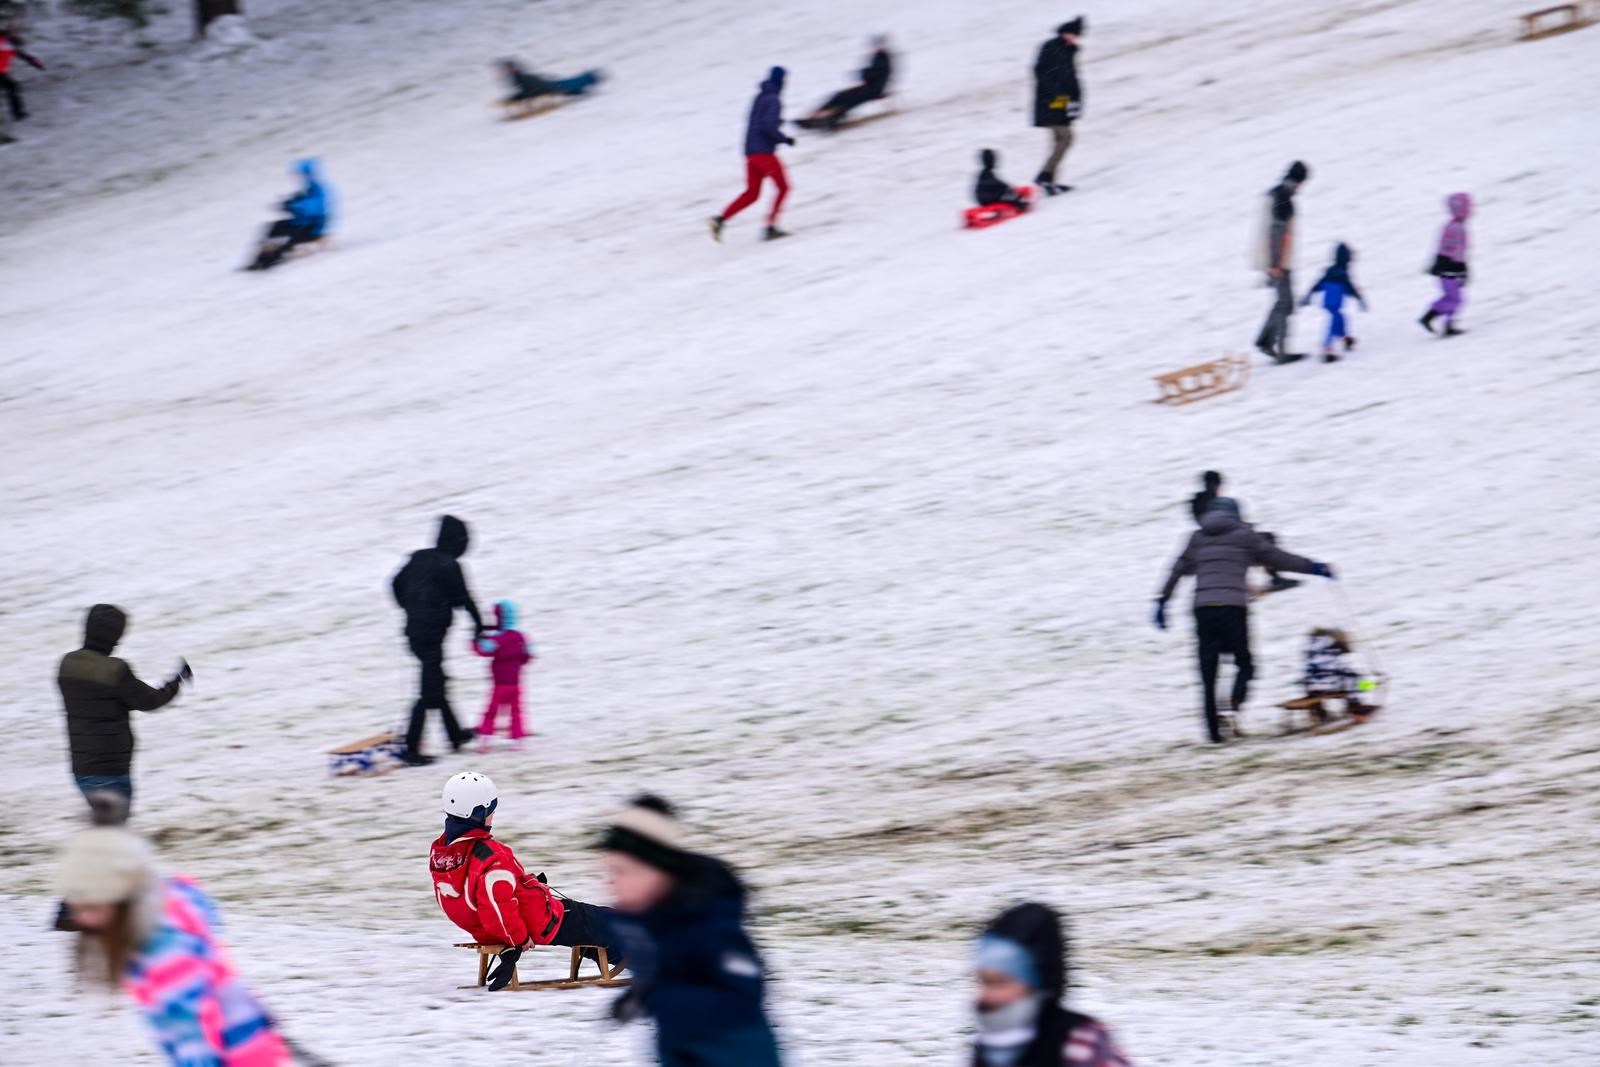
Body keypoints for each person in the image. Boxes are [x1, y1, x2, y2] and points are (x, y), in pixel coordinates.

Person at [58, 826, 292, 1066]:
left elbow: (195, 1023)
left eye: (91, 909)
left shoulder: (162, 948)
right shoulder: (158, 916)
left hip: (230, 1051)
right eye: (78, 909)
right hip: (246, 1037)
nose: (83, 920)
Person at [595, 795, 781, 1067]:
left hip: (736, 1051)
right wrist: (638, 995)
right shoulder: (647, 922)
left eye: (621, 871)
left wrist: (661, 998)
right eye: (607, 871)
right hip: (681, 1048)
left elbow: (744, 988)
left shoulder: (707, 920)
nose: (610, 882)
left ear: (657, 871)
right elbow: (664, 970)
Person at [1154, 497, 1334, 743]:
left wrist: (1162, 601)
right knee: (1245, 664)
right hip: (1232, 608)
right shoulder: (1244, 534)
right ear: (1236, 514)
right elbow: (1278, 558)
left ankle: (1214, 736)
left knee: (1208, 674)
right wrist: (1315, 568)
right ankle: (1232, 708)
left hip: (1203, 610)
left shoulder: (1196, 537)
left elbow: (1177, 569)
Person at [429, 772, 626, 990]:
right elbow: (496, 904)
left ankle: (619, 955)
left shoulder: (443, 854)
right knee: (604, 921)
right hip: (540, 921)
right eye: (491, 810)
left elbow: (473, 901)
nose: (493, 815)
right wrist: (517, 939)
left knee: (585, 924)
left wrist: (527, 885)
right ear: (480, 813)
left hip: (491, 928)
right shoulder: (491, 857)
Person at [59, 604, 192, 812]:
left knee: (106, 823)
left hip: (81, 769)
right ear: (114, 637)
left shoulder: (67, 665)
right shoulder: (114, 671)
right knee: (113, 827)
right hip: (110, 770)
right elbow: (151, 700)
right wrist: (177, 680)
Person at [972, 903, 1134, 1067]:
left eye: (999, 982)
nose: (984, 994)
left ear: (1037, 984)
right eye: (981, 981)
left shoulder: (1082, 1043)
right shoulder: (986, 1047)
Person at [392, 515, 484, 765]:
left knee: (436, 683)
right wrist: (479, 626)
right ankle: (411, 749)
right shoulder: (449, 565)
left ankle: (455, 736)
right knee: (428, 692)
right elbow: (465, 599)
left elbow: (395, 584)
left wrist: (411, 608)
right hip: (429, 635)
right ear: (457, 541)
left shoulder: (419, 559)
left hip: (417, 632)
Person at [709, 67, 794, 244]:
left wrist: (776, 124)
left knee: (752, 193)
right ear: (780, 80)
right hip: (764, 154)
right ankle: (770, 227)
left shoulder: (760, 97)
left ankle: (720, 219)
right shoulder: (774, 99)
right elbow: (768, 126)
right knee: (784, 187)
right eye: (785, 79)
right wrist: (785, 139)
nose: (786, 83)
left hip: (750, 153)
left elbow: (758, 122)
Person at [1187, 472, 1296, 593]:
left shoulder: (1197, 502)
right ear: (1217, 485)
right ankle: (1275, 579)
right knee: (1268, 539)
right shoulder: (1215, 502)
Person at [1255, 160, 1310, 363]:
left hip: (1277, 260)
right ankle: (1281, 350)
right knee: (1286, 303)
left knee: (1283, 302)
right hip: (1279, 261)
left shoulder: (1276, 193)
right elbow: (1276, 233)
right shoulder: (1283, 199)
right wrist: (1275, 264)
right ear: (1299, 180)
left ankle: (1266, 340)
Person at [246, 158, 332, 271]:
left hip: (312, 229)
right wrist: (286, 204)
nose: (298, 177)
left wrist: (291, 206)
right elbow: (298, 204)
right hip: (301, 224)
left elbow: (311, 209)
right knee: (273, 227)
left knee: (289, 239)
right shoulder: (307, 190)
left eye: (300, 174)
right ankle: (260, 258)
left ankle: (271, 259)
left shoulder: (317, 190)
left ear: (307, 174)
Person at [472, 599, 535, 752]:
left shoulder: (497, 639)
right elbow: (528, 655)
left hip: (499, 685)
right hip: (516, 684)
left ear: (499, 618)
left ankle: (485, 740)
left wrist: (475, 640)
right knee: (517, 712)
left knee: (491, 712)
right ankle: (519, 741)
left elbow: (483, 650)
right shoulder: (521, 637)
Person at [1032, 19, 1084, 196]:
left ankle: (1049, 180)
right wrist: (1056, 92)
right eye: (1072, 35)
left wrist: (1075, 100)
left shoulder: (1068, 51)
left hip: (1062, 100)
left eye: (1076, 36)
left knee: (1060, 140)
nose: (1074, 38)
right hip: (1052, 100)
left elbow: (1071, 78)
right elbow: (1040, 71)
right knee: (1066, 137)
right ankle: (1045, 175)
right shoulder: (1052, 47)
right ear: (1064, 33)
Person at [795, 36, 893, 130]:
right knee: (839, 96)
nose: (874, 47)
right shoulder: (879, 57)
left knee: (847, 99)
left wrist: (862, 73)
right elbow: (871, 73)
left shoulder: (883, 58)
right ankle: (819, 115)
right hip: (869, 87)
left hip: (873, 90)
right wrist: (863, 73)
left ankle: (829, 117)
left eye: (876, 44)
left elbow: (875, 74)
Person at [1302, 242, 1367, 362]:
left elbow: (1318, 284)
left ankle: (1345, 338)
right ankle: (1327, 348)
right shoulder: (1343, 274)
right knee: (1334, 322)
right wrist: (1360, 299)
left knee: (1341, 317)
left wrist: (1308, 295)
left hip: (1329, 302)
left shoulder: (1330, 271)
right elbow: (1350, 288)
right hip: (1334, 303)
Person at [1420, 192, 1471, 337]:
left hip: (1444, 268)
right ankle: (1429, 317)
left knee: (1452, 297)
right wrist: (1463, 271)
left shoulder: (1450, 225)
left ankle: (1448, 325)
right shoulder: (1458, 228)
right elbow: (1458, 252)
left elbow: (1443, 248)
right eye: (1468, 207)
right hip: (1449, 269)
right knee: (1456, 299)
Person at [1303, 628, 1376, 720]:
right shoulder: (1332, 650)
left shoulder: (1311, 652)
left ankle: (1319, 712)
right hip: (1330, 686)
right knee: (1355, 681)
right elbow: (1341, 670)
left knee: (1339, 679)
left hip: (1312, 688)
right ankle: (1356, 707)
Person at [496, 58, 602, 103]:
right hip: (544, 85)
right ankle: (588, 80)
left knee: (568, 85)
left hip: (545, 87)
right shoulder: (517, 76)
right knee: (567, 85)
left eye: (506, 69)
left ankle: (591, 77)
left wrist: (519, 97)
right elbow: (525, 90)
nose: (504, 71)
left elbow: (530, 90)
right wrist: (517, 97)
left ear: (512, 69)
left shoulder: (519, 76)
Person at [0, 21, 44, 127]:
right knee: (12, 87)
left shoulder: (9, 44)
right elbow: (22, 55)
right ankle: (18, 115)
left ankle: (18, 115)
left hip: (2, 73)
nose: (17, 34)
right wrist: (35, 63)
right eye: (14, 32)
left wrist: (35, 62)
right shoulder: (5, 43)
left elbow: (22, 55)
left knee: (13, 87)